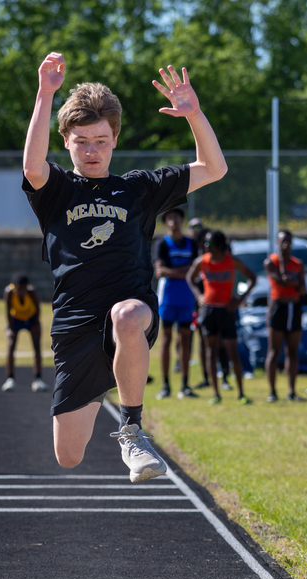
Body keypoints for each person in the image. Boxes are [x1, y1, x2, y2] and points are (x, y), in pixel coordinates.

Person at [21, 53, 227, 481]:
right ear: (66, 141)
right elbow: (31, 167)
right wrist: (45, 94)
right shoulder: (56, 189)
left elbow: (214, 168)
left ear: (114, 139)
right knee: (69, 456)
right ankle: (109, 381)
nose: (91, 150)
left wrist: (195, 115)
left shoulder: (138, 189)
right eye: (81, 141)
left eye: (100, 139)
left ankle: (132, 429)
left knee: (127, 314)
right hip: (75, 325)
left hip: (131, 313)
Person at [187, 230, 256, 405]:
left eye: (208, 243)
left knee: (233, 351)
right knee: (211, 351)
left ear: (218, 245)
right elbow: (190, 277)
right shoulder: (202, 261)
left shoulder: (231, 261)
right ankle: (215, 393)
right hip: (209, 310)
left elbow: (252, 278)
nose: (205, 246)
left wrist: (240, 299)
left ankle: (241, 393)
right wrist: (198, 296)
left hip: (227, 310)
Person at [153, 207, 198, 399]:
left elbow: (197, 270)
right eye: (170, 218)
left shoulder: (191, 243)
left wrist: (177, 271)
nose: (174, 221)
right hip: (168, 297)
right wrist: (184, 271)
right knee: (166, 339)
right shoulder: (162, 244)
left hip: (187, 297)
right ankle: (165, 385)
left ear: (182, 220)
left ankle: (185, 385)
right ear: (165, 222)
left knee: (185, 339)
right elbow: (160, 272)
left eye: (177, 217)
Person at [264, 229, 306, 402]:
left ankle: (292, 391)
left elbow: (302, 289)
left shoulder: (298, 264)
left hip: (294, 307)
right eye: (282, 241)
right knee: (274, 351)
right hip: (278, 306)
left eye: (288, 241)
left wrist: (294, 281)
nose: (286, 244)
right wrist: (292, 280)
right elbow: (279, 280)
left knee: (293, 351)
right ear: (277, 242)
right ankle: (273, 392)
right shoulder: (271, 262)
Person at [2, 274, 47, 393]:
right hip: (16, 319)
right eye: (19, 289)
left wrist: (36, 325)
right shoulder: (9, 292)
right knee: (11, 345)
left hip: (31, 319)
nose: (21, 292)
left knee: (37, 347)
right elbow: (7, 311)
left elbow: (38, 309)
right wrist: (11, 329)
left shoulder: (32, 292)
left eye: (23, 289)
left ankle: (38, 379)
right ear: (14, 287)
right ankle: (10, 378)